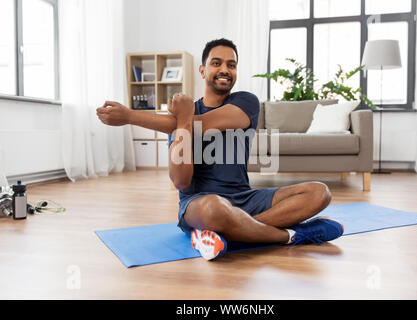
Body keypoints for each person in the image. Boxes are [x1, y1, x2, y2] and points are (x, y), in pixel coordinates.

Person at [97, 38, 344, 261]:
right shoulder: (181, 116)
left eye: (231, 65)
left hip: (244, 198)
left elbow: (203, 124)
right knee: (216, 208)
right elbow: (181, 182)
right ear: (203, 70)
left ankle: (234, 233)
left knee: (319, 192)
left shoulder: (246, 102)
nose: (225, 69)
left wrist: (132, 116)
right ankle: (288, 236)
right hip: (199, 205)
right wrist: (181, 121)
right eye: (216, 63)